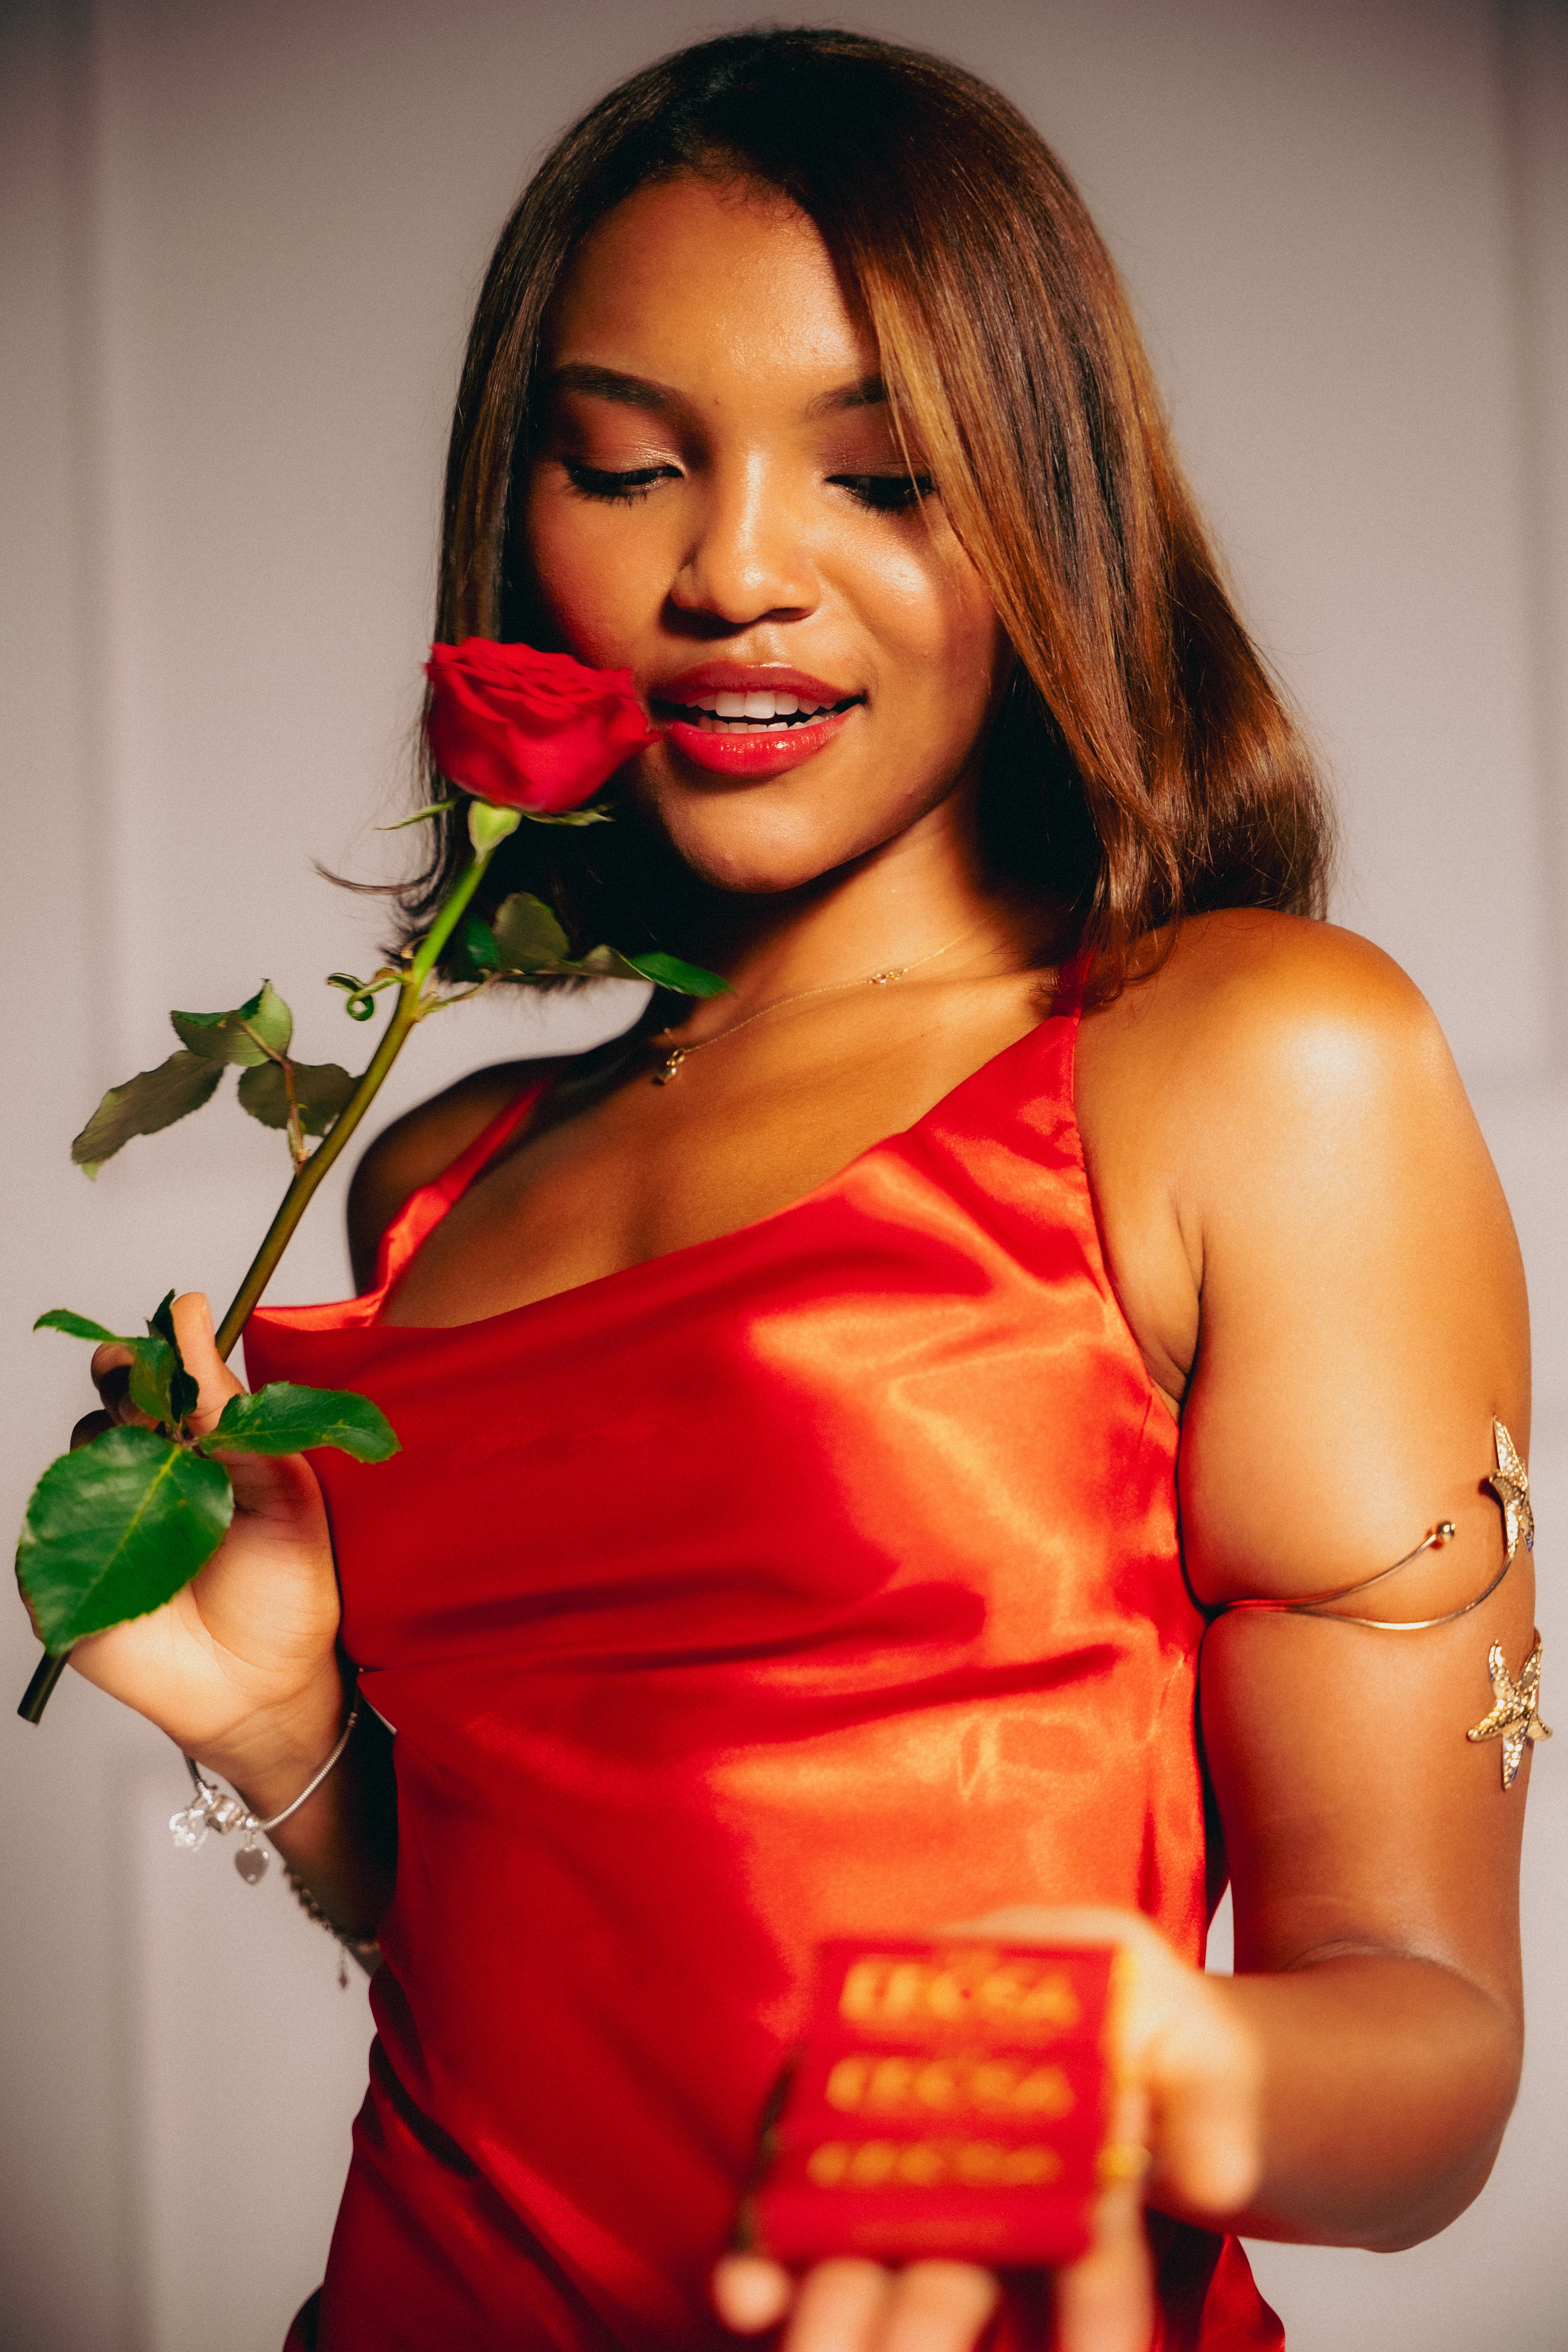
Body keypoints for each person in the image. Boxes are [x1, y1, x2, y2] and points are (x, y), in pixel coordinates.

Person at [56, 28, 1535, 2352]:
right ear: (523, 513)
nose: (737, 571)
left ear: (1052, 508)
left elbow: (1431, 2056)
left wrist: (1156, 2074)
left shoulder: (1247, 1064)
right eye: (632, 465)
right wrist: (284, 1736)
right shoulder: (440, 1180)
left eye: (887, 477)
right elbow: (545, 1985)